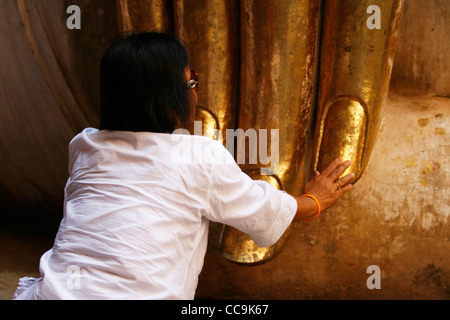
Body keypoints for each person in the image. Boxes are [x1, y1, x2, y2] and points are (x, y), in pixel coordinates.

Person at [13, 32, 353, 300]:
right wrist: (314, 201)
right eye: (191, 83)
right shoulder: (198, 155)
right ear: (169, 99)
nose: (195, 94)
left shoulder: (86, 145)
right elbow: (262, 209)